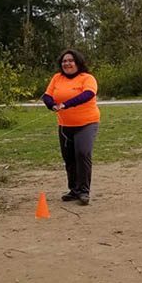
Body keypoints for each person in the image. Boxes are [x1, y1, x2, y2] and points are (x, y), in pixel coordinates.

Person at [41, 49, 100, 205]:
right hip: (65, 125)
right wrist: (51, 104)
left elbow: (88, 95)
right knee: (69, 158)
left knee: (82, 153)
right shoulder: (57, 78)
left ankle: (84, 191)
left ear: (78, 62)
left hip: (87, 123)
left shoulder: (87, 78)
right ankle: (74, 190)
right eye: (64, 61)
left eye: (70, 60)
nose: (67, 63)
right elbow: (47, 95)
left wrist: (66, 104)